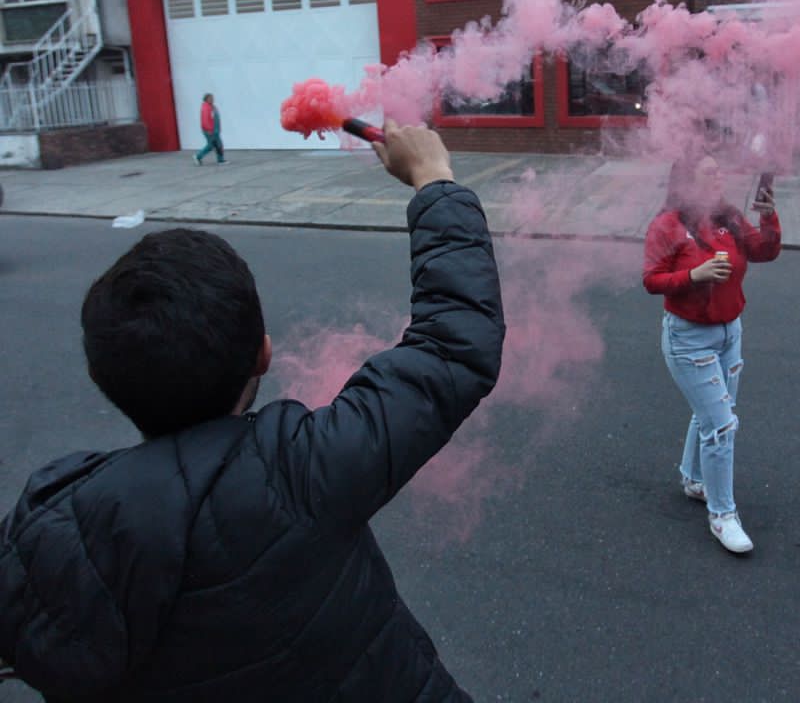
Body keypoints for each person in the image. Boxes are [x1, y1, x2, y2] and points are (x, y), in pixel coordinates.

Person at [0, 121, 505, 702]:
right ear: (264, 353)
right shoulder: (303, 470)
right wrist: (433, 179)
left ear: (101, 378)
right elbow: (451, 345)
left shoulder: (46, 546)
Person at [643, 155, 781, 555]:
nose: (720, 175)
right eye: (710, 172)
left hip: (729, 332)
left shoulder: (730, 217)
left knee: (712, 414)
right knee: (721, 426)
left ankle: (693, 479)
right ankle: (722, 514)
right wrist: (694, 276)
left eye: (721, 169)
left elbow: (763, 251)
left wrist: (769, 217)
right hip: (688, 339)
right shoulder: (667, 224)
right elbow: (651, 280)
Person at [195, 92, 226, 165]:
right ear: (206, 99)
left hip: (215, 130)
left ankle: (220, 159)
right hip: (210, 131)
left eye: (212, 98)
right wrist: (209, 129)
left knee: (217, 145)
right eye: (210, 98)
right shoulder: (206, 108)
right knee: (213, 145)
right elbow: (205, 120)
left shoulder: (212, 106)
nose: (212, 99)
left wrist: (218, 128)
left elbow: (215, 118)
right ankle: (198, 156)